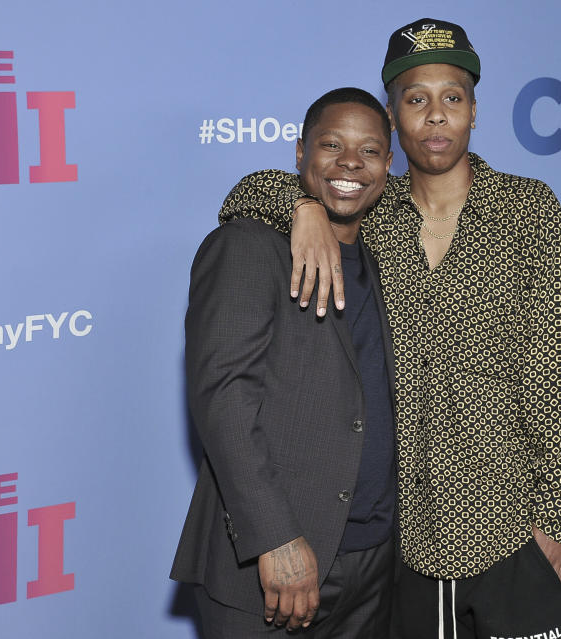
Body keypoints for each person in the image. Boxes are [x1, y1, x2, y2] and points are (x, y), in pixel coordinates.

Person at [218, 18, 561, 639]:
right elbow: (246, 192)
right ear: (394, 121)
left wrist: (560, 521)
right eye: (416, 100)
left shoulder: (530, 210)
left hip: (514, 528)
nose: (435, 117)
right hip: (411, 544)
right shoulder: (370, 213)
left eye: (452, 98)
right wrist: (304, 207)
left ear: (475, 112)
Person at [170, 87, 397, 638]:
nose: (350, 163)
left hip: (374, 560)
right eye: (332, 145)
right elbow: (222, 396)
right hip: (276, 567)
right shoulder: (247, 247)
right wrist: (275, 536)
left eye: (369, 151)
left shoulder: (389, 252)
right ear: (299, 153)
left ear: (389, 167)